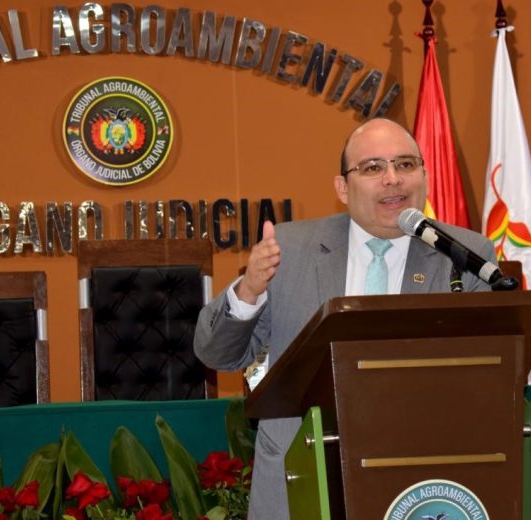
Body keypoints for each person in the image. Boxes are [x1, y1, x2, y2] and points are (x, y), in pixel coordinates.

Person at [193, 118, 495, 520]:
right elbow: (217, 354)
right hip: (302, 472)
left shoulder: (463, 253)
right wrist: (249, 289)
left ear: (424, 174)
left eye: (405, 165)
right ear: (342, 187)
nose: (393, 179)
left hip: (418, 479)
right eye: (373, 168)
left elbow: (485, 373)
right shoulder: (291, 249)